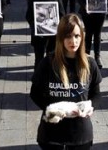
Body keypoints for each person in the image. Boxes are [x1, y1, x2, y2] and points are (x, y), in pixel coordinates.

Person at [29, 13, 102, 149]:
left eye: (76, 36)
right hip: (52, 133)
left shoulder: (90, 63)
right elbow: (34, 93)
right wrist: (51, 109)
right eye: (68, 36)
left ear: (82, 37)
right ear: (60, 38)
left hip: (80, 134)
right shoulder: (48, 63)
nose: (72, 41)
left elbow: (96, 94)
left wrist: (90, 107)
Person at [26, 0, 64, 68]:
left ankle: (49, 78)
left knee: (52, 57)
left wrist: (58, 25)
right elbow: (29, 15)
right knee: (38, 58)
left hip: (53, 33)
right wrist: (35, 26)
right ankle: (37, 79)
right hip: (39, 34)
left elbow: (62, 13)